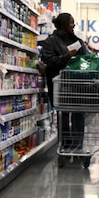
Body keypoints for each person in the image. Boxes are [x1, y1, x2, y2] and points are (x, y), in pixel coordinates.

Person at [41, 13, 89, 152]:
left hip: (77, 85)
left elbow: (86, 60)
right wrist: (66, 56)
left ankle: (77, 145)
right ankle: (65, 144)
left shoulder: (78, 41)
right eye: (71, 22)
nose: (73, 25)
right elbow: (48, 61)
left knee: (79, 113)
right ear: (63, 24)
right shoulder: (50, 42)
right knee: (63, 114)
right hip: (59, 85)